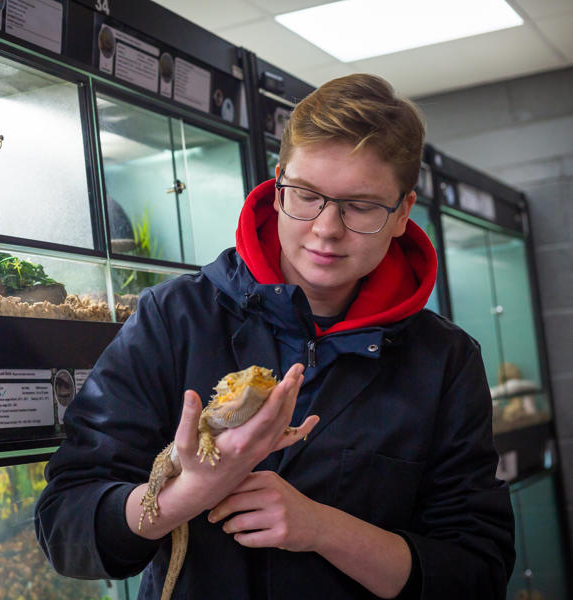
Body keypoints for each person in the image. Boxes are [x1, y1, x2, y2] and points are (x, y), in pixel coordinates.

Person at [35, 74, 515, 599]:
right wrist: (189, 494)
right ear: (279, 182)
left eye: (360, 207)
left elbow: (478, 569)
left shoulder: (445, 360)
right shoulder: (174, 317)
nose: (327, 228)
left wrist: (322, 529)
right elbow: (65, 523)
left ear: (402, 213)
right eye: (307, 195)